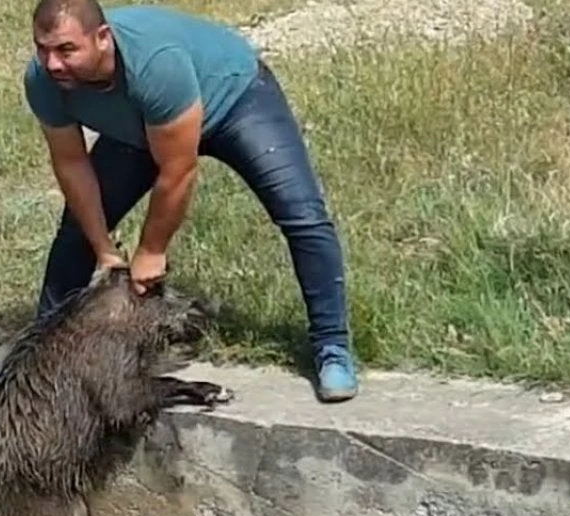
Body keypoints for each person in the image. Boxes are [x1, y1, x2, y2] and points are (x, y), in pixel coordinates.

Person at [22, 0, 361, 402]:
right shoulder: (43, 80)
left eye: (66, 50)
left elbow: (177, 171)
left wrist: (151, 250)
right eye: (43, 49)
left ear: (102, 38)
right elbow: (71, 163)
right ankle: (39, 361)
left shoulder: (154, 63)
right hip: (140, 126)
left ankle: (332, 347)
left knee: (302, 215)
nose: (53, 63)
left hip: (234, 99)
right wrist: (103, 248)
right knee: (76, 230)